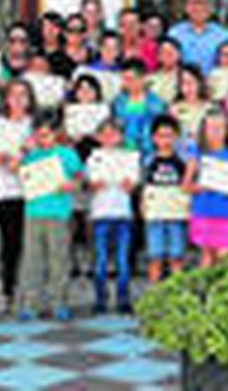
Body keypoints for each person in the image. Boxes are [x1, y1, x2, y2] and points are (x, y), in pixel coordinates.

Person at [17, 117, 85, 322]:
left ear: (56, 133)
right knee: (32, 260)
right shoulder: (31, 155)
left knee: (59, 259)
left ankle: (59, 303)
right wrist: (23, 150)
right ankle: (30, 303)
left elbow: (80, 178)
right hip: (33, 212)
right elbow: (13, 168)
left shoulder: (67, 154)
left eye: (46, 134)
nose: (42, 139)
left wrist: (71, 185)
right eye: (38, 134)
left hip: (59, 212)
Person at [0, 80, 37, 310]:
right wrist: (9, 159)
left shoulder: (34, 124)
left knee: (31, 245)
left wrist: (24, 159)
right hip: (5, 191)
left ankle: (28, 291)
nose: (18, 99)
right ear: (5, 98)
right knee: (9, 244)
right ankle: (7, 290)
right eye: (13, 94)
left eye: (23, 94)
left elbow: (45, 152)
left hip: (34, 191)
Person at [86, 121, 137, 314]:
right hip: (100, 214)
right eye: (104, 134)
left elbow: (132, 184)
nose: (109, 138)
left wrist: (126, 183)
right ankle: (100, 298)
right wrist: (96, 183)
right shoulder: (93, 158)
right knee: (100, 261)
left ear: (120, 137)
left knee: (123, 261)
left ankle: (123, 298)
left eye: (113, 134)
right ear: (98, 137)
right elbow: (91, 183)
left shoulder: (130, 157)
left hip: (123, 214)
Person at [189, 109, 228, 266]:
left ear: (227, 130)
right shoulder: (197, 154)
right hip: (204, 210)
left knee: (225, 257)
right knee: (206, 257)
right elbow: (186, 185)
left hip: (227, 212)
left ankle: (220, 290)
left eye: (220, 127)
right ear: (204, 130)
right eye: (211, 128)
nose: (216, 132)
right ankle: (205, 290)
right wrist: (201, 186)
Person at [143, 117, 189, 284]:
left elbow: (187, 185)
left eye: (169, 136)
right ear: (154, 138)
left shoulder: (182, 161)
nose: (165, 140)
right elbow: (144, 186)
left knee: (176, 256)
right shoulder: (148, 161)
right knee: (155, 257)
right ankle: (154, 296)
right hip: (155, 213)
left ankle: (177, 296)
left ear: (176, 137)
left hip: (176, 213)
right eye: (161, 136)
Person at [167, 0, 228, 74]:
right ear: (186, 7)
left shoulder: (224, 35)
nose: (198, 7)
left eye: (203, 3)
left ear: (210, 7)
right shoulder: (174, 34)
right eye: (194, 3)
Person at [112, 59, 167, 156]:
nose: (126, 83)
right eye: (124, 79)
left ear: (142, 79)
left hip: (149, 152)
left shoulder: (156, 103)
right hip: (122, 152)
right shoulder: (117, 102)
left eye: (130, 79)